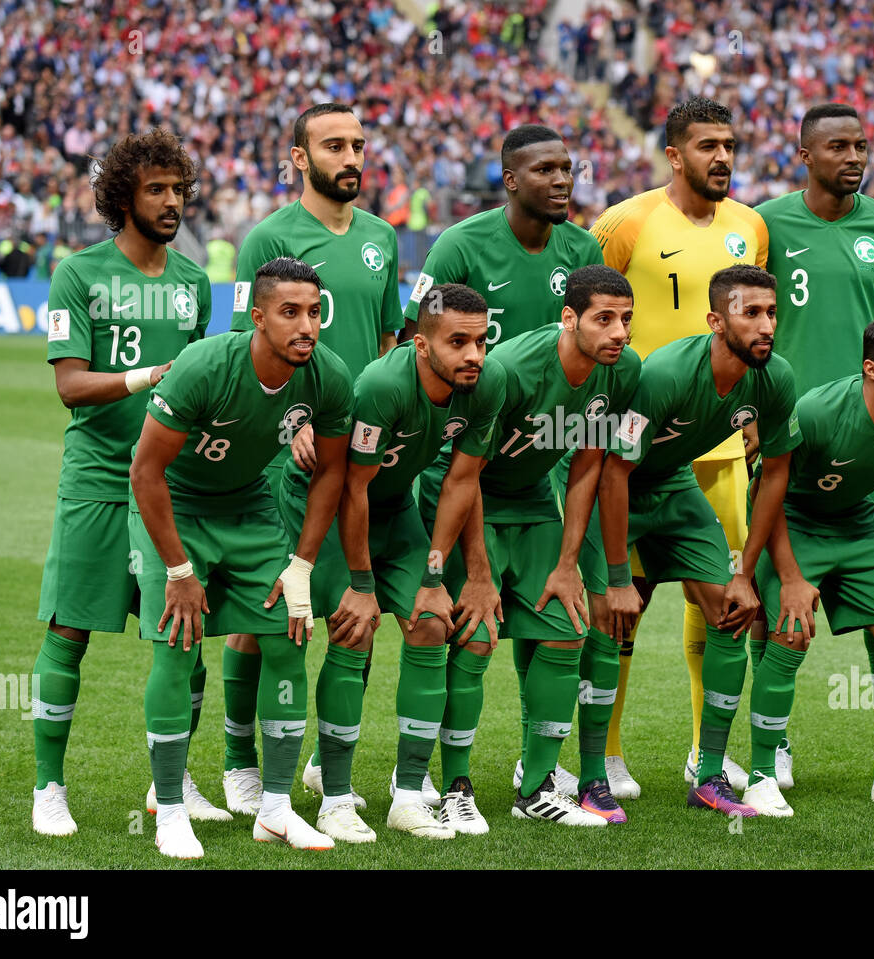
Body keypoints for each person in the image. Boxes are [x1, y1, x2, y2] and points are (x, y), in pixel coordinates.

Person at [128, 257, 354, 858]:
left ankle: (275, 808)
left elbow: (332, 471)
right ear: (257, 318)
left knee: (288, 633)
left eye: (313, 312)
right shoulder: (205, 366)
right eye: (289, 313)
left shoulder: (328, 376)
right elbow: (145, 470)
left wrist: (302, 566)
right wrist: (178, 572)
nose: (305, 325)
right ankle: (170, 808)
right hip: (175, 502)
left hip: (249, 505)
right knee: (178, 644)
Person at [31, 129, 212, 837]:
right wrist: (147, 378)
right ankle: (49, 786)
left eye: (177, 188)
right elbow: (71, 386)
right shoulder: (77, 275)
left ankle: (172, 779)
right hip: (99, 481)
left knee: (184, 635)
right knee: (69, 628)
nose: (171, 202)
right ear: (121, 197)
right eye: (155, 189)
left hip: (170, 485)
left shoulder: (196, 284)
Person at [223, 104, 402, 815]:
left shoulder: (382, 237)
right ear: (299, 158)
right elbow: (250, 348)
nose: (351, 154)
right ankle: (241, 762)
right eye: (334, 145)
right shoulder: (267, 237)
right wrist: (292, 418)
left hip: (360, 457)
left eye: (359, 142)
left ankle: (330, 765)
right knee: (264, 613)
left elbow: (389, 344)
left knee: (355, 611)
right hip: (286, 455)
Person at [589, 96, 769, 796]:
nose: (721, 157)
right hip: (631, 450)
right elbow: (584, 309)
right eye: (706, 145)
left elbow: (750, 323)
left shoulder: (749, 227)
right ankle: (603, 753)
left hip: (718, 451)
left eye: (729, 144)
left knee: (717, 603)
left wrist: (749, 415)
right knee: (620, 600)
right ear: (674, 154)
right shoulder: (626, 221)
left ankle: (707, 754)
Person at [416, 264, 640, 827]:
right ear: (569, 320)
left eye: (627, 321)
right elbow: (464, 478)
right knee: (476, 634)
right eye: (604, 320)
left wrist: (568, 565)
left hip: (535, 499)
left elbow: (588, 465)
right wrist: (479, 574)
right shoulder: (509, 370)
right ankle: (456, 788)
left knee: (568, 631)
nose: (619, 333)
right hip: (467, 498)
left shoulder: (622, 370)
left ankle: (537, 788)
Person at [591, 265, 801, 819]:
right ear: (716, 321)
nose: (766, 326)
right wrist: (615, 579)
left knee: (731, 612)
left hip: (674, 484)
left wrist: (744, 571)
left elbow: (776, 469)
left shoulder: (774, 378)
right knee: (604, 618)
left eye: (771, 312)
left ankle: (709, 775)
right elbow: (613, 471)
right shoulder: (664, 374)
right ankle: (592, 775)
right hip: (615, 485)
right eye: (750, 313)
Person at [755, 101, 874, 789]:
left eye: (861, 145)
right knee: (774, 599)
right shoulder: (763, 224)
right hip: (788, 429)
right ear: (805, 154)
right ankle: (775, 742)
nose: (853, 157)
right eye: (838, 147)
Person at [314, 282, 503, 839]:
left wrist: (433, 576)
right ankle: (335, 799)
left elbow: (461, 481)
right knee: (355, 629)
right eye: (457, 342)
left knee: (429, 624)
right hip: (330, 512)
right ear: (421, 345)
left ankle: (410, 794)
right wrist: (360, 583)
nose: (473, 355)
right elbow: (352, 489)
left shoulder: (486, 385)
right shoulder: (381, 385)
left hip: (394, 510)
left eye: (481, 341)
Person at [753, 313, 874, 811]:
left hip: (856, 525)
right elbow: (766, 490)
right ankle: (762, 773)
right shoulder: (818, 411)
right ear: (871, 369)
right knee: (790, 629)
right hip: (793, 521)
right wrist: (792, 577)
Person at [400, 124, 603, 348]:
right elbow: (413, 343)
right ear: (510, 180)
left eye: (566, 169)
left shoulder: (585, 249)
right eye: (545, 170)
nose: (562, 180)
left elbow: (596, 339)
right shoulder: (457, 246)